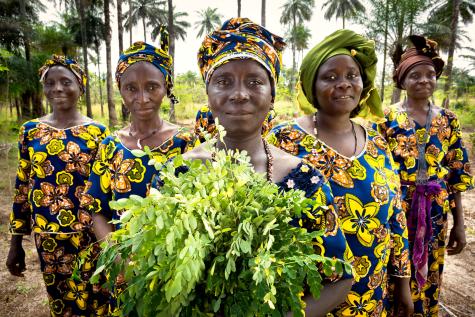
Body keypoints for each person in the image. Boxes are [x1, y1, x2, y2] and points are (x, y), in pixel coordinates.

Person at [173, 18, 353, 316]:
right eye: (223, 81)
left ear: (272, 96)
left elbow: (339, 279)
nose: (239, 94)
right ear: (208, 95)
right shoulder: (179, 174)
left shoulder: (304, 180)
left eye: (255, 82)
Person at [268, 29, 413, 316]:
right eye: (330, 77)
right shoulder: (283, 141)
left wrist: (403, 283)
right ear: (312, 85)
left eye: (352, 76)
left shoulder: (378, 143)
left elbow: (396, 215)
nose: (344, 84)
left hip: (372, 291)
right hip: (309, 296)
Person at [375, 35, 473, 316]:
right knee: (394, 269)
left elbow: (456, 176)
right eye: (414, 75)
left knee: (429, 271)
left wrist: (460, 225)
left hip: (434, 211)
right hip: (396, 210)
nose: (424, 80)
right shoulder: (385, 118)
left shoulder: (448, 120)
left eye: (430, 74)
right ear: (401, 80)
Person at [6, 55, 110, 316]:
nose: (57, 89)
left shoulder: (98, 132)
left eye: (66, 82)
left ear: (80, 87)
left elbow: (105, 189)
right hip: (48, 238)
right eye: (49, 83)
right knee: (61, 303)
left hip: (90, 236)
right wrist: (15, 242)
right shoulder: (30, 131)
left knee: (97, 299)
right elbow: (22, 187)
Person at [83, 27, 197, 243]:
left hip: (175, 266)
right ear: (121, 91)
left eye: (152, 87)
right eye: (131, 88)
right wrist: (118, 257)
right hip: (123, 264)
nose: (142, 98)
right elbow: (95, 208)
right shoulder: (111, 146)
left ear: (166, 88)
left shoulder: (186, 142)